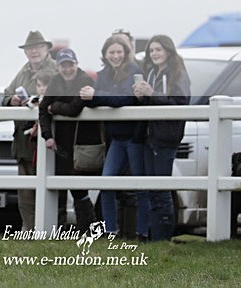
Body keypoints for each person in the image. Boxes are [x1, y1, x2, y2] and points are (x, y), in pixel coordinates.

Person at [80, 35, 150, 239]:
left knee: (140, 185)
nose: (116, 56)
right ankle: (111, 230)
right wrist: (96, 95)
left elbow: (125, 98)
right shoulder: (102, 75)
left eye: (119, 52)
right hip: (116, 138)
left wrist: (99, 95)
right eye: (111, 52)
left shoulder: (134, 72)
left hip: (135, 137)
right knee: (106, 183)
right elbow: (93, 102)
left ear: (126, 53)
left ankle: (142, 233)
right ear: (105, 55)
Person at [133, 34, 191, 241]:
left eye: (158, 49)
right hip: (150, 136)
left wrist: (152, 94)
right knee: (152, 189)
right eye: (151, 50)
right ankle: (154, 237)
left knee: (162, 190)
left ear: (168, 50)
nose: (155, 54)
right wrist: (141, 97)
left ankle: (163, 238)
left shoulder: (178, 73)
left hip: (166, 138)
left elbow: (181, 103)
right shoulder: (151, 73)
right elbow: (151, 103)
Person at [39, 48, 101, 231]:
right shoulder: (55, 81)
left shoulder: (85, 80)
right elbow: (43, 109)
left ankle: (88, 228)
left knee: (79, 188)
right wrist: (47, 136)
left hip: (83, 142)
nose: (67, 69)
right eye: (63, 65)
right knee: (59, 185)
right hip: (62, 143)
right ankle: (59, 227)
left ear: (76, 64)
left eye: (70, 65)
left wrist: (55, 106)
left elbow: (75, 108)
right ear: (58, 67)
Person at [2, 31, 57, 231]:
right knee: (25, 191)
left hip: (47, 138)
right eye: (29, 48)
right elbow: (6, 95)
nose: (33, 51)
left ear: (46, 49)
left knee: (51, 187)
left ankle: (51, 230)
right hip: (24, 141)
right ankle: (28, 229)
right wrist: (12, 101)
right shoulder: (23, 72)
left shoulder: (56, 70)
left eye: (38, 47)